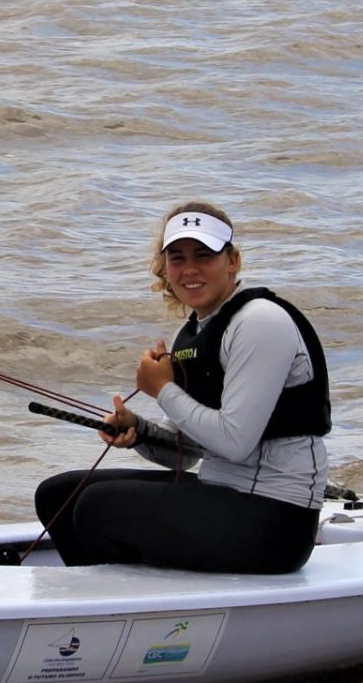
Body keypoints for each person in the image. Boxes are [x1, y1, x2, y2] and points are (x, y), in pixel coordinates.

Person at [33, 201, 331, 574]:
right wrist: (138, 431)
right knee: (58, 495)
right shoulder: (191, 334)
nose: (190, 269)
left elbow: (234, 442)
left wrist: (163, 390)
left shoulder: (260, 322)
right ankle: (106, 595)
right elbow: (186, 453)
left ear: (233, 260)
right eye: (178, 258)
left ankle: (125, 600)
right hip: (223, 495)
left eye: (203, 255)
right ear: (165, 268)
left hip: (276, 521)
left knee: (96, 506)